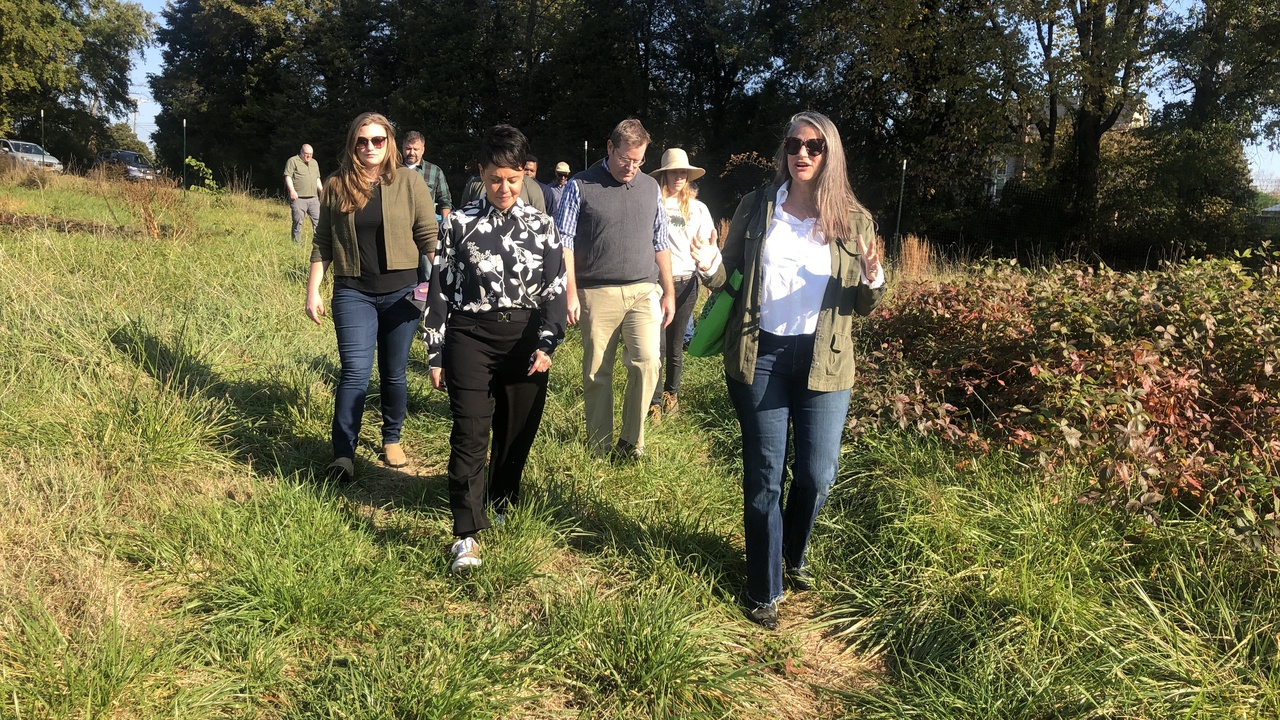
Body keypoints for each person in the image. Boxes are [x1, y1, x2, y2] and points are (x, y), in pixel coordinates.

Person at [692, 111, 885, 630]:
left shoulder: (853, 219)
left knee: (818, 476)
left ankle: (793, 553)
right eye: (794, 144)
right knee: (764, 475)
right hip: (763, 356)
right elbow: (724, 277)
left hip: (826, 360)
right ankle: (764, 589)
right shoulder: (757, 208)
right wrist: (709, 265)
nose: (802, 153)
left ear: (830, 154)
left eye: (814, 146)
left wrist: (873, 275)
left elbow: (865, 302)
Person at [422, 124, 566, 572]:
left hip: (525, 340)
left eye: (513, 179)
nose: (503, 188)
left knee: (515, 433)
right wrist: (435, 350)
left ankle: (502, 501)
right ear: (481, 174)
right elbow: (440, 289)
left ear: (524, 175)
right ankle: (465, 533)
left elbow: (556, 289)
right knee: (469, 432)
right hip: (470, 336)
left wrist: (548, 341)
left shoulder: (543, 226)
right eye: (494, 179)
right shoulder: (459, 224)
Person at [305, 112, 438, 482]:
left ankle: (391, 437)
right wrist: (312, 288)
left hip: (403, 293)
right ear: (353, 144)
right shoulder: (335, 184)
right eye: (363, 141)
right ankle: (343, 454)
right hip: (353, 292)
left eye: (378, 140)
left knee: (394, 373)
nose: (370, 147)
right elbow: (323, 242)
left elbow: (429, 236)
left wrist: (444, 284)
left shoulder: (410, 182)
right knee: (354, 374)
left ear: (389, 143)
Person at [555, 118, 675, 460]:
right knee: (597, 372)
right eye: (626, 159)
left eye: (639, 161)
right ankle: (599, 446)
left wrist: (668, 290)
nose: (632, 167)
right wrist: (571, 291)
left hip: (644, 289)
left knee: (648, 362)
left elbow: (660, 239)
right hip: (597, 291)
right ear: (610, 148)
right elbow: (564, 242)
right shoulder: (580, 186)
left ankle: (631, 443)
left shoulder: (650, 187)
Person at [646, 148, 716, 424]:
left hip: (687, 283)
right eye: (673, 172)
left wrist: (709, 269)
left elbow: (709, 246)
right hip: (656, 284)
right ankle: (652, 403)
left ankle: (671, 394)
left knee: (675, 345)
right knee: (656, 347)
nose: (678, 177)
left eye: (683, 172)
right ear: (664, 175)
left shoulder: (698, 209)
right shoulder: (653, 205)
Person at [400, 130, 453, 221]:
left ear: (423, 150)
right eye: (408, 148)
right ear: (403, 148)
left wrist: (445, 226)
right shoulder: (393, 170)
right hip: (399, 223)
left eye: (416, 149)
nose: (412, 153)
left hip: (426, 225)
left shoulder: (435, 171)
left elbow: (445, 201)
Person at [284, 144, 322, 244]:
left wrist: (322, 191)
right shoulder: (293, 161)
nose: (308, 156)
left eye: (311, 154)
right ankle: (296, 245)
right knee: (297, 222)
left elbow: (317, 178)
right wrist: (292, 191)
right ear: (301, 152)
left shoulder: (314, 163)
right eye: (306, 154)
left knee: (318, 222)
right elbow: (288, 176)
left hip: (314, 198)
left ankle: (318, 245)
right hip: (298, 198)